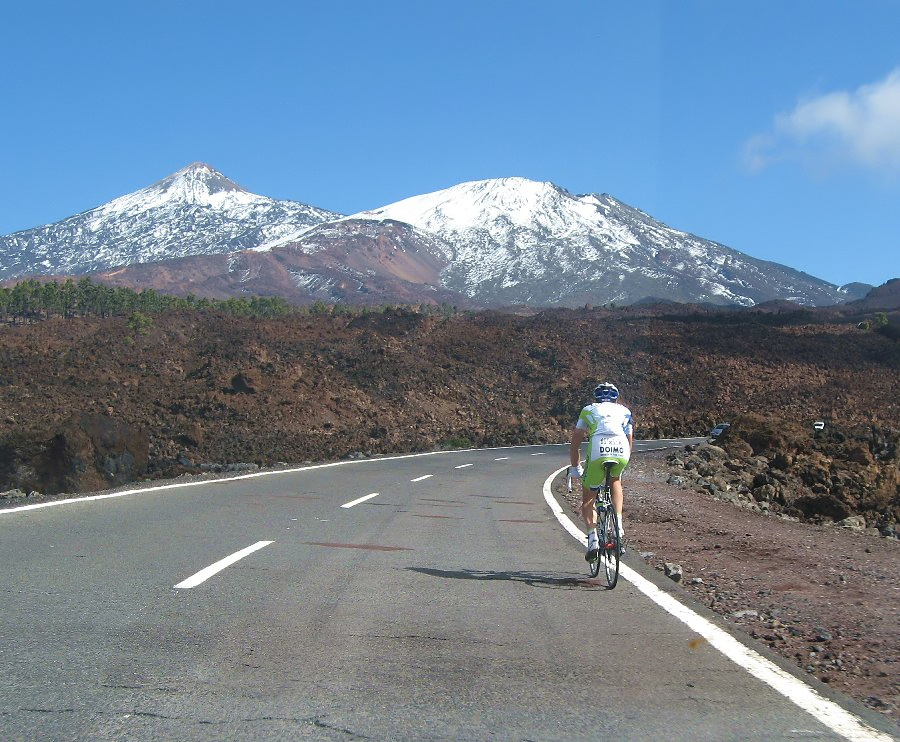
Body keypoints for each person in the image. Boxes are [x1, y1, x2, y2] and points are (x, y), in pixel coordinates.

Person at [569, 382, 634, 561]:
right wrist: (623, 463)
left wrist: (575, 467)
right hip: (621, 449)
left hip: (599, 447)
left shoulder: (588, 409)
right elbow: (629, 439)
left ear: (596, 397)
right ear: (616, 397)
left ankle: (592, 540)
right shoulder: (625, 411)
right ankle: (619, 527)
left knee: (588, 496)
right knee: (615, 480)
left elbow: (576, 440)